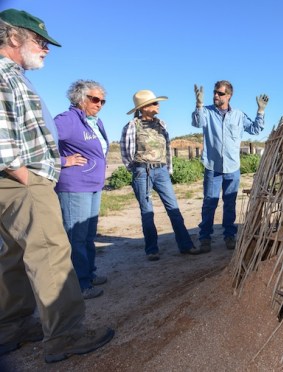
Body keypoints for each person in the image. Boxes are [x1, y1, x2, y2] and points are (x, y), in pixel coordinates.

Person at [0, 9, 114, 363]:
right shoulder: (3, 75)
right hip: (21, 181)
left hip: (19, 180)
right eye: (40, 40)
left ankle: (11, 326)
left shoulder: (14, 76)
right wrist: (20, 170)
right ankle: (65, 335)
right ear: (14, 37)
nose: (46, 48)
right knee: (51, 252)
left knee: (15, 255)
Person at [121, 90, 200, 261]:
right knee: (147, 212)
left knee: (174, 209)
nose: (158, 106)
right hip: (143, 172)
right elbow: (126, 154)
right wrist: (137, 170)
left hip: (162, 171)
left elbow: (167, 149)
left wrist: (168, 169)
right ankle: (151, 249)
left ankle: (185, 245)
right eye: (154, 103)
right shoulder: (132, 126)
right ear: (144, 108)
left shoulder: (162, 124)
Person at [191, 80, 268, 251]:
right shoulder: (207, 112)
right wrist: (199, 103)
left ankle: (229, 236)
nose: (216, 95)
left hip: (232, 168)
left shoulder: (238, 115)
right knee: (209, 203)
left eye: (220, 93)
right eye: (215, 92)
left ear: (229, 95)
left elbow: (255, 129)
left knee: (230, 202)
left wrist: (261, 111)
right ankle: (205, 238)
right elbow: (197, 122)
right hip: (213, 166)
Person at [54, 80, 109, 300]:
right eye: (95, 99)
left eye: (102, 101)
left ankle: (89, 274)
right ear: (80, 98)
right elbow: (40, 143)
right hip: (74, 186)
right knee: (76, 236)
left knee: (87, 234)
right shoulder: (67, 120)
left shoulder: (95, 121)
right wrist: (62, 161)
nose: (99, 104)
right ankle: (80, 284)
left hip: (93, 185)